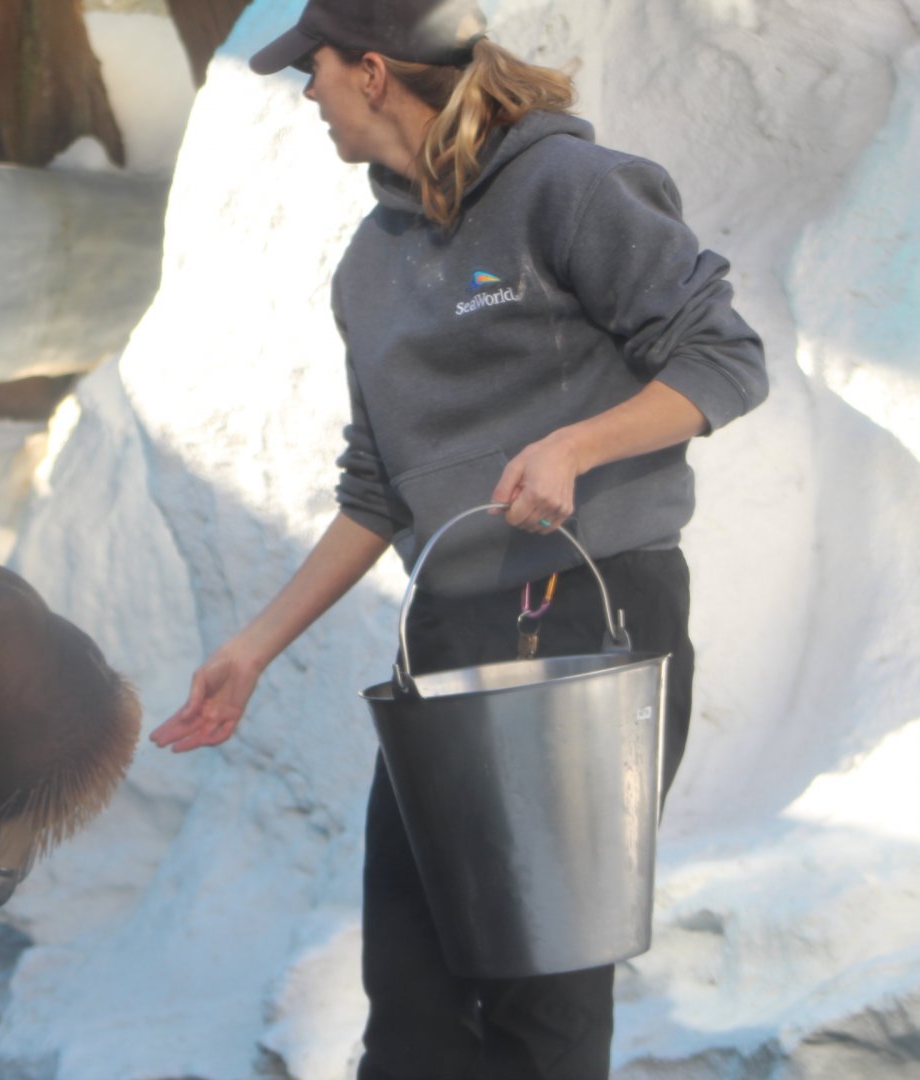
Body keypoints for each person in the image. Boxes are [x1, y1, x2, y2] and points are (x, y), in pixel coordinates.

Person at [147, 1, 769, 1077]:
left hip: (595, 622)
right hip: (449, 637)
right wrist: (254, 647)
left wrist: (578, 444)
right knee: (413, 996)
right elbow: (378, 489)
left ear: (375, 71)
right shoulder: (368, 267)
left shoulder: (571, 189)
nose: (308, 93)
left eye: (317, 69)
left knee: (545, 992)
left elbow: (724, 360)